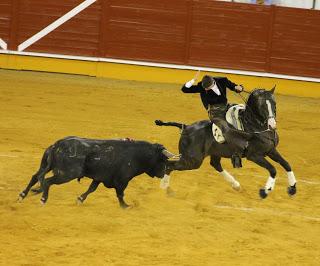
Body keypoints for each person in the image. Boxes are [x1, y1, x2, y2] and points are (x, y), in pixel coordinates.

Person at [181, 72, 251, 168]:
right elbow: (184, 89)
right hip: (215, 113)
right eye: (204, 88)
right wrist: (193, 80)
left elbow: (233, 86)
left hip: (226, 107)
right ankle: (236, 155)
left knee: (243, 110)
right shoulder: (202, 86)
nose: (205, 89)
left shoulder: (222, 80)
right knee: (226, 129)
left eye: (207, 88)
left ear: (213, 82)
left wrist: (239, 88)